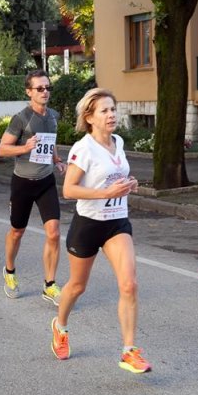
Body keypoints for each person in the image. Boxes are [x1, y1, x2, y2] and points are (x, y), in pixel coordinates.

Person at [50, 87, 151, 374]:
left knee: (130, 284)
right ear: (90, 117)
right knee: (77, 286)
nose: (111, 115)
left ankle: (129, 350)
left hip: (117, 222)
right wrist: (106, 191)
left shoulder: (118, 142)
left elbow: (116, 178)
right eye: (104, 110)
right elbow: (69, 189)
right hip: (89, 224)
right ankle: (61, 325)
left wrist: (129, 184)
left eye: (113, 109)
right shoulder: (84, 148)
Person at [0, 70, 66, 306]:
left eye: (48, 88)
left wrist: (57, 160)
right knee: (17, 231)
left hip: (46, 182)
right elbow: (2, 149)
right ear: (29, 92)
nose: (45, 92)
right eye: (40, 88)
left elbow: (51, 142)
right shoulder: (21, 118)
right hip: (23, 183)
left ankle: (49, 284)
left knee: (54, 233)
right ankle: (9, 270)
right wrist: (24, 147)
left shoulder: (53, 116)